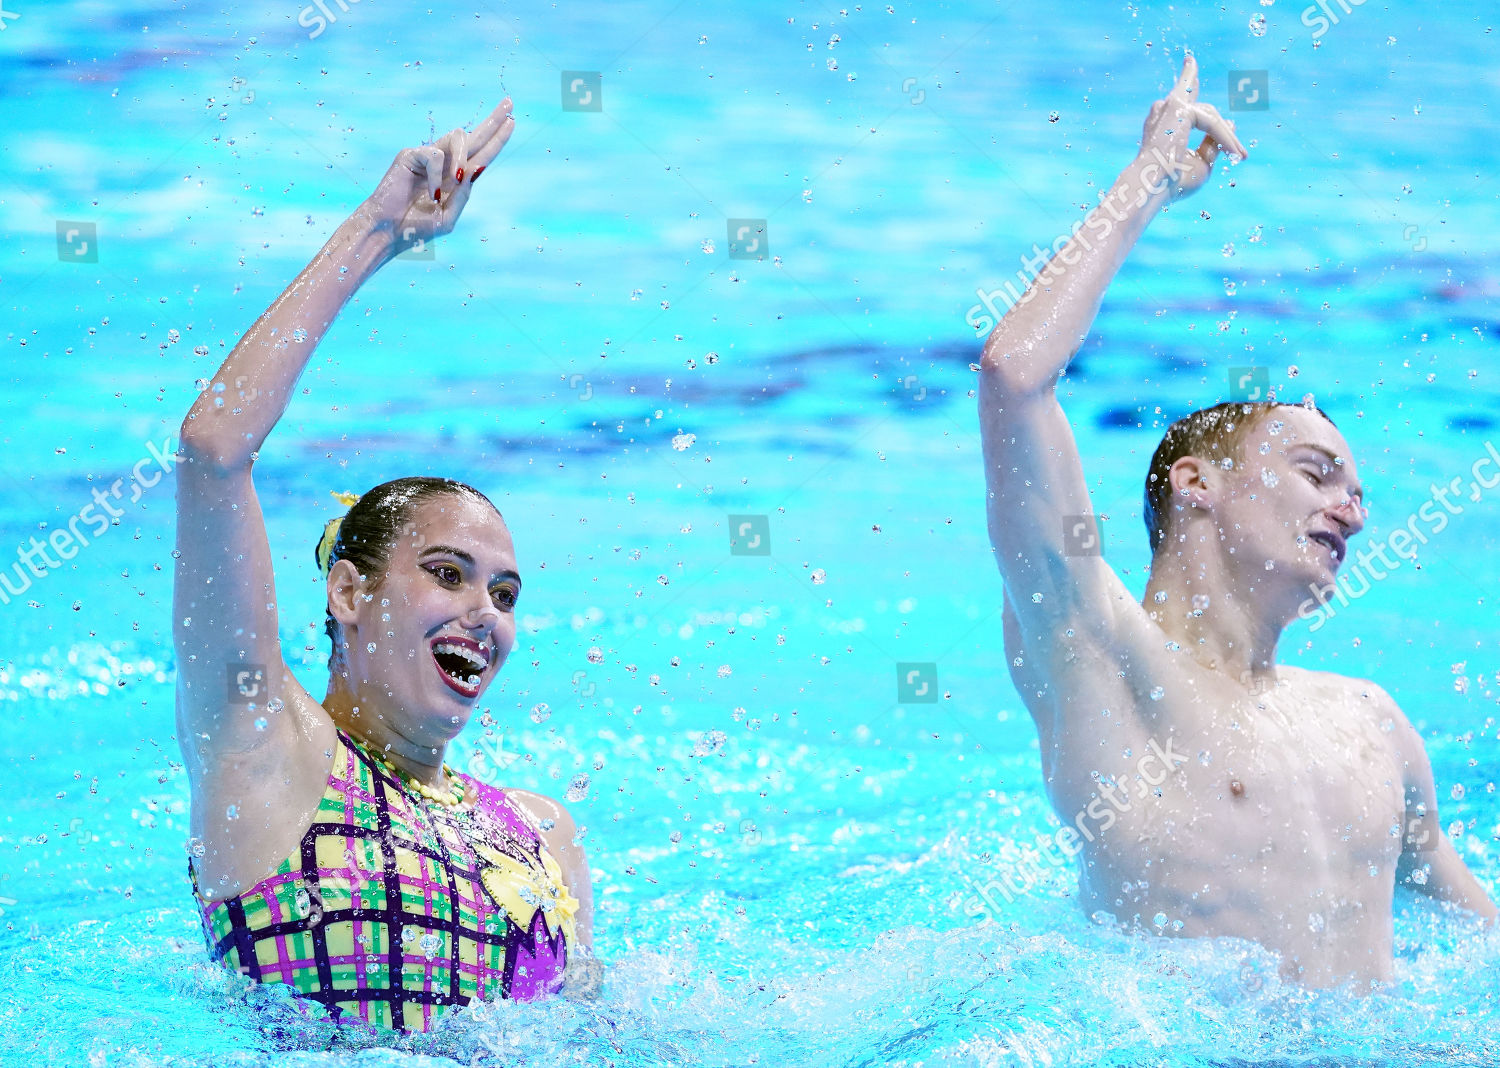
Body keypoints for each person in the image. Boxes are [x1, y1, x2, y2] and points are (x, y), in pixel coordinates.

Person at [976, 54, 1495, 987]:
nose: (1352, 511)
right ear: (1195, 485)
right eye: (1316, 472)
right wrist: (1144, 185)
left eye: (1361, 496)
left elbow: (1480, 932)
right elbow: (1014, 379)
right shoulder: (1097, 650)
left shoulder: (1371, 722)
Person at [173, 97, 599, 1033]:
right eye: (447, 573)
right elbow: (212, 450)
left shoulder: (541, 833)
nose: (484, 611)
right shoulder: (267, 749)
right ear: (349, 591)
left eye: (505, 592)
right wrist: (376, 233)